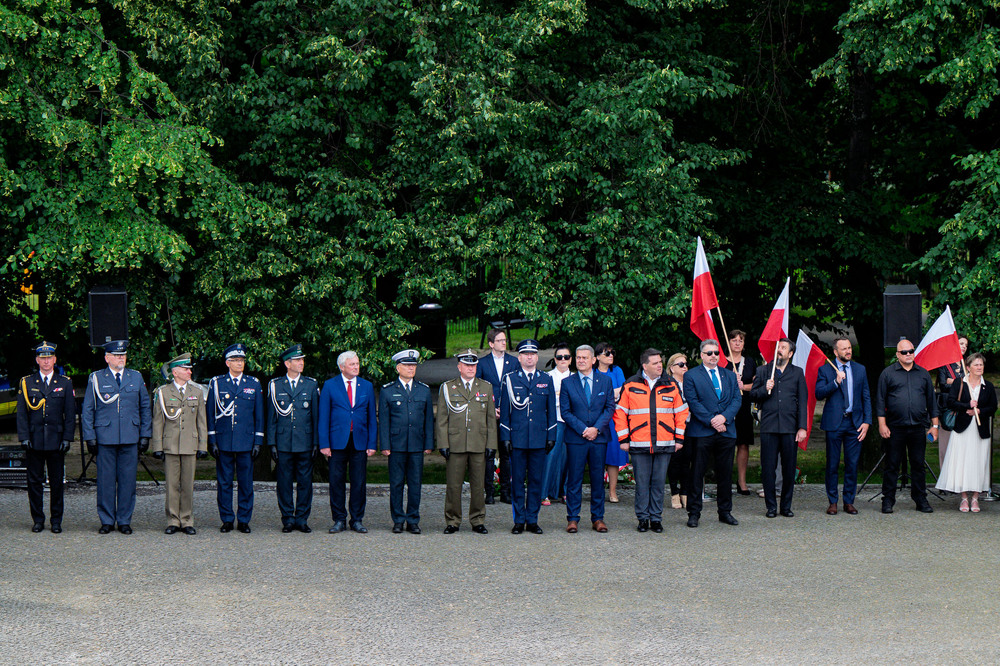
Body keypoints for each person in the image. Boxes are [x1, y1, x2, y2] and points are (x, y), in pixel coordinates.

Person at [81, 340, 152, 534]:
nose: (121, 358)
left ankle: (124, 520)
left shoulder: (135, 377)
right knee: (105, 482)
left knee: (128, 482)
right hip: (105, 438)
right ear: (107, 358)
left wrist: (145, 435)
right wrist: (90, 437)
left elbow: (145, 408)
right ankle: (106, 520)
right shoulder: (97, 378)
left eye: (123, 355)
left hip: (130, 437)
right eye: (117, 355)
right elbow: (88, 409)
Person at [613, 348, 687, 533]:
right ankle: (642, 518)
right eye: (655, 363)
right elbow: (620, 413)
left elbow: (681, 413)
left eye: (660, 362)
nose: (660, 366)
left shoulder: (671, 384)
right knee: (642, 484)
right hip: (639, 443)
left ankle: (656, 519)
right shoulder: (630, 384)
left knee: (659, 483)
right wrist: (624, 438)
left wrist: (679, 438)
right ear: (645, 366)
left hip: (665, 442)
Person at [16, 341, 75, 534]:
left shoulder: (65, 382)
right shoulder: (27, 382)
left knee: (57, 483)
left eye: (49, 358)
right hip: (34, 440)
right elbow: (22, 413)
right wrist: (24, 436)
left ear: (55, 359)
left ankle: (56, 520)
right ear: (37, 360)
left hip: (56, 441)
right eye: (43, 358)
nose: (46, 361)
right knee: (34, 483)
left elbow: (70, 413)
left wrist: (67, 438)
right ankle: (38, 520)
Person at [876, 338, 940, 514]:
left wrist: (935, 426)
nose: (908, 354)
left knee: (918, 465)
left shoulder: (923, 374)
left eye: (911, 351)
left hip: (918, 427)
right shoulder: (887, 374)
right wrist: (882, 424)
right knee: (892, 465)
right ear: (897, 354)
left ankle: (920, 499)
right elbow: (880, 401)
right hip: (895, 427)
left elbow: (932, 402)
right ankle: (888, 500)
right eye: (904, 352)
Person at [499, 340, 556, 534]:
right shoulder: (510, 379)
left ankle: (532, 519)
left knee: (536, 481)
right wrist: (505, 436)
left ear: (537, 357)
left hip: (539, 439)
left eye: (533, 354)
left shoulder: (546, 379)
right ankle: (518, 520)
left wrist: (551, 435)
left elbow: (551, 411)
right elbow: (505, 412)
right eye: (525, 354)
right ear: (520, 357)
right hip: (517, 438)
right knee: (517, 482)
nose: (529, 357)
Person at [683, 339, 741, 528]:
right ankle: (694, 513)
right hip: (702, 432)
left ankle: (725, 512)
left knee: (725, 474)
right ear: (702, 355)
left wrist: (723, 418)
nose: (713, 356)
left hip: (726, 431)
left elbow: (736, 400)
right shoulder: (691, 375)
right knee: (697, 473)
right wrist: (712, 421)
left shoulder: (729, 375)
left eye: (716, 352)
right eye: (709, 353)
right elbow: (693, 401)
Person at [437, 349, 496, 534]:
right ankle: (452, 520)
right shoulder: (448, 387)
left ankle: (477, 520)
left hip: (479, 442)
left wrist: (491, 444)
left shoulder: (485, 387)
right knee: (454, 485)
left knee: (478, 485)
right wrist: (443, 443)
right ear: (459, 367)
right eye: (467, 365)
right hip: (456, 443)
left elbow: (490, 419)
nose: (471, 368)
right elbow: (442, 419)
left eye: (473, 365)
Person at [319, 350, 378, 534]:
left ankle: (357, 519)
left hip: (359, 440)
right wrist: (324, 443)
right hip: (337, 441)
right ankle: (339, 519)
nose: (356, 367)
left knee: (359, 482)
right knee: (336, 481)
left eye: (357, 363)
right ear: (342, 367)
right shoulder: (330, 385)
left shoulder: (366, 386)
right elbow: (323, 417)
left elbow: (371, 418)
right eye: (352, 364)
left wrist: (372, 443)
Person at [208, 343, 264, 533]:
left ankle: (244, 519)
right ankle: (227, 519)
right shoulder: (217, 383)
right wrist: (212, 440)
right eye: (236, 360)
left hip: (246, 441)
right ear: (228, 363)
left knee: (246, 483)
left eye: (242, 360)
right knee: (224, 483)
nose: (240, 363)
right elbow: (210, 413)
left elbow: (259, 415)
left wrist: (258, 441)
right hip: (224, 440)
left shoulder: (253, 383)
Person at [560, 344, 616, 533]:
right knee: (574, 479)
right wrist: (584, 429)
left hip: (598, 439)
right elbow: (566, 412)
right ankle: (572, 518)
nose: (581, 360)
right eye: (578, 357)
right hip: (576, 438)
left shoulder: (605, 381)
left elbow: (609, 408)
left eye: (585, 357)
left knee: (597, 479)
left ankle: (598, 518)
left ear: (593, 360)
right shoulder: (568, 383)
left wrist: (596, 429)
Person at [749, 338, 808, 518]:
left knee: (789, 469)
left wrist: (802, 427)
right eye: (778, 347)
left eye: (783, 348)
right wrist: (764, 389)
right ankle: (771, 507)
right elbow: (753, 395)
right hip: (769, 426)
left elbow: (803, 401)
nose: (779, 350)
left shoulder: (797, 372)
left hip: (790, 428)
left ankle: (786, 506)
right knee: (768, 468)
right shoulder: (763, 370)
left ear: (790, 353)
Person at [378, 349, 434, 534]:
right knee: (396, 484)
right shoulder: (387, 390)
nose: (411, 368)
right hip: (396, 445)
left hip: (417, 443)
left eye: (413, 365)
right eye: (407, 365)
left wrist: (429, 443)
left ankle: (413, 520)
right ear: (398, 368)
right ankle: (398, 519)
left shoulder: (423, 390)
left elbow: (428, 419)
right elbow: (384, 421)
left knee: (415, 484)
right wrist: (384, 445)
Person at [151, 353, 208, 535]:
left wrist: (203, 445)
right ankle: (173, 520)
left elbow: (202, 421)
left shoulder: (196, 392)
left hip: (190, 444)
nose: (189, 372)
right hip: (171, 445)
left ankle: (187, 519)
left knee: (188, 484)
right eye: (185, 369)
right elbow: (158, 422)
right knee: (172, 484)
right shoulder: (163, 392)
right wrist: (157, 446)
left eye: (189, 369)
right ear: (175, 372)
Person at [815, 337, 872, 515]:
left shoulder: (860, 369)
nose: (848, 351)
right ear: (835, 352)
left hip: (855, 423)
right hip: (834, 423)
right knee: (832, 464)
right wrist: (835, 382)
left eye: (849, 348)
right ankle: (833, 501)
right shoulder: (825, 369)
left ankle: (849, 501)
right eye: (844, 349)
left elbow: (866, 396)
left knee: (852, 464)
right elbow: (818, 393)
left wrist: (867, 421)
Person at [267, 344, 320, 533]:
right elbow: (271, 417)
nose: (301, 363)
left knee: (305, 482)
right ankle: (288, 518)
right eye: (297, 360)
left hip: (305, 441)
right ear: (287, 364)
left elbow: (316, 416)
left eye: (302, 359)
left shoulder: (311, 384)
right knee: (284, 483)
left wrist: (316, 442)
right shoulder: (275, 385)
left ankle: (302, 519)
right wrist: (271, 443)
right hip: (283, 442)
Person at [937, 353, 997, 512]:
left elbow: (993, 407)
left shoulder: (988, 386)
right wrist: (967, 406)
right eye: (976, 365)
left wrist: (979, 411)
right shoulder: (959, 383)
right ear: (968, 367)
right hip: (962, 429)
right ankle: (964, 497)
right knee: (962, 462)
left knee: (978, 462)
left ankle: (975, 498)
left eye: (981, 365)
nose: (979, 367)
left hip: (980, 431)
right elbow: (951, 402)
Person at [476, 328, 519, 504]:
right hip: (489, 414)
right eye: (500, 340)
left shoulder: (514, 362)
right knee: (489, 453)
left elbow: (517, 386)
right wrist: (490, 409)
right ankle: (489, 491)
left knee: (507, 453)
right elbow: (478, 389)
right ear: (491, 344)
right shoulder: (482, 363)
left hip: (508, 414)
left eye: (504, 340)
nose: (504, 343)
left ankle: (506, 492)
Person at [595, 342, 627, 503]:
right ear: (597, 357)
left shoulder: (617, 371)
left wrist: (604, 395)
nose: (611, 355)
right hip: (596, 418)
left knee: (613, 455)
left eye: (612, 352)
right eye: (607, 353)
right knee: (597, 455)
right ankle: (597, 490)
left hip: (615, 419)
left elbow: (623, 391)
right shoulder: (592, 372)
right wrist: (610, 394)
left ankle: (613, 491)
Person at [541, 342, 573, 505]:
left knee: (569, 458)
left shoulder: (575, 377)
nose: (563, 360)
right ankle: (544, 492)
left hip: (572, 422)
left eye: (566, 357)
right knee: (551, 456)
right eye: (560, 357)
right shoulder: (547, 377)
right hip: (554, 420)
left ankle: (565, 492)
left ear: (571, 359)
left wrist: (559, 396)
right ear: (555, 359)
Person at [727, 330, 757, 495]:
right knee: (726, 444)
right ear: (729, 342)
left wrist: (743, 387)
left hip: (744, 407)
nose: (737, 343)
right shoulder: (721, 362)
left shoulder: (750, 362)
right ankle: (724, 481)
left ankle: (742, 481)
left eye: (741, 340)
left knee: (743, 443)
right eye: (734, 340)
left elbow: (757, 384)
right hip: (725, 407)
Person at [936, 335, 969, 468]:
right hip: (947, 410)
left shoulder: (967, 364)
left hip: (964, 409)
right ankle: (945, 475)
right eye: (961, 343)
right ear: (955, 345)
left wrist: (953, 381)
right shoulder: (944, 365)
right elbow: (943, 385)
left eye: (966, 345)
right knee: (946, 446)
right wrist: (960, 382)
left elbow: (970, 386)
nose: (964, 347)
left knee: (962, 447)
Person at [665, 352, 690, 509]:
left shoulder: (690, 382)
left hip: (690, 425)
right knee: (674, 461)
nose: (684, 367)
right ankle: (674, 493)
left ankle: (685, 493)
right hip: (672, 427)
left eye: (686, 364)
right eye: (681, 364)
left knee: (687, 461)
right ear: (672, 368)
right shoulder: (667, 384)